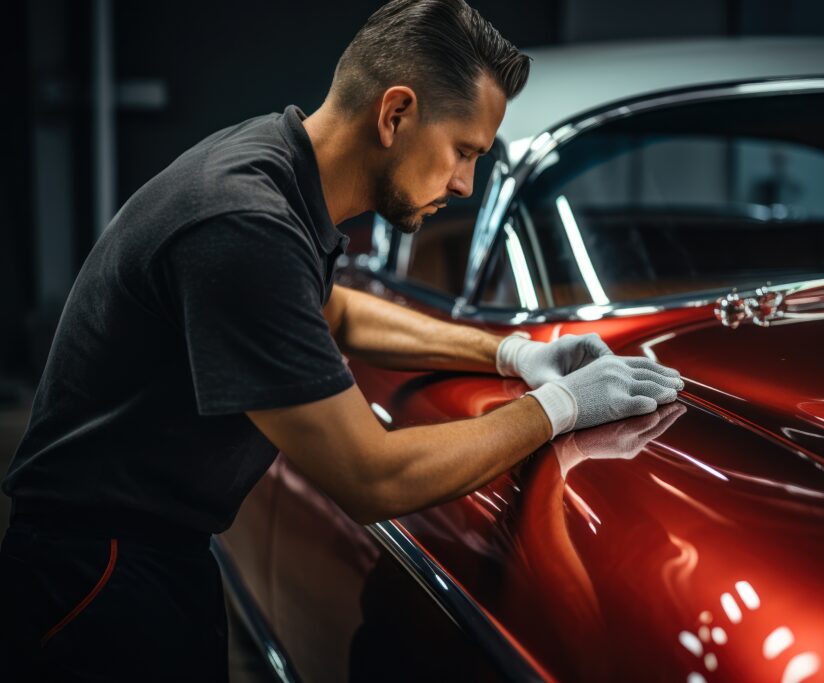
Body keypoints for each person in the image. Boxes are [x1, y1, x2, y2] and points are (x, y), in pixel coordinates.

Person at [0, 0, 683, 680]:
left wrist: (514, 353)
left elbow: (341, 314)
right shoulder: (244, 223)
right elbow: (371, 476)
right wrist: (559, 406)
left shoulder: (278, 169)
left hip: (155, 552)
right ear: (394, 114)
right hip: (96, 577)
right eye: (463, 152)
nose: (464, 184)